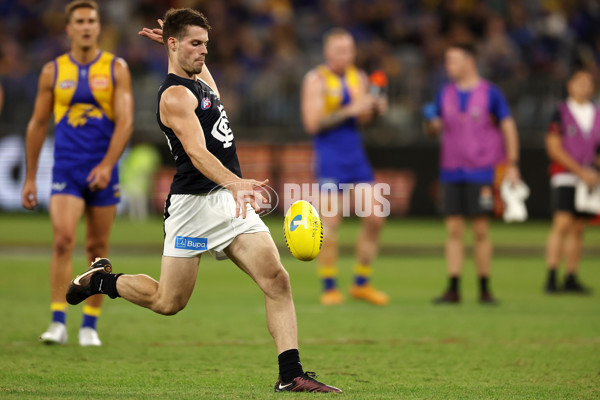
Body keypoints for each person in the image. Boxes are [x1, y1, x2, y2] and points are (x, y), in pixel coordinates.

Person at [66, 9, 341, 393]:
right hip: (193, 207)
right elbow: (196, 153)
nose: (204, 52)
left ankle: (290, 374)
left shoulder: (200, 81)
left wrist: (232, 188)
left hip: (229, 201)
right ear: (175, 45)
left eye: (206, 45)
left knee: (277, 279)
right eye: (195, 44)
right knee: (168, 302)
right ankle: (102, 281)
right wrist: (236, 183)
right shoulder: (175, 95)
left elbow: (195, 72)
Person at [21, 0, 133, 346]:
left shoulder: (116, 68)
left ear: (99, 27)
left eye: (92, 21)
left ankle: (90, 325)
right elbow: (38, 123)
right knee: (62, 240)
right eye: (80, 21)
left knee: (97, 248)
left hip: (103, 172)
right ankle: (57, 321)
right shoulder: (52, 71)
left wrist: (107, 165)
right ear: (68, 28)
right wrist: (29, 176)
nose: (86, 26)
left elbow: (126, 122)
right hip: (66, 170)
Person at [423, 43, 521, 304]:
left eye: (453, 60)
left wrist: (512, 162)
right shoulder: (445, 93)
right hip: (451, 170)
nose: (448, 66)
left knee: (480, 229)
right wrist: (431, 123)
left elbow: (508, 125)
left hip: (481, 171)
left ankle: (484, 288)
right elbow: (434, 129)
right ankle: (453, 286)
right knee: (453, 229)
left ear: (470, 62)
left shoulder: (491, 93)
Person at [301, 28, 389, 306]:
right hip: (330, 158)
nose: (344, 55)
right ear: (327, 52)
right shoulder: (316, 80)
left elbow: (363, 119)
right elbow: (313, 124)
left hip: (355, 156)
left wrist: (374, 110)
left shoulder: (358, 77)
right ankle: (329, 286)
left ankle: (361, 282)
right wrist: (350, 110)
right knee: (331, 222)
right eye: (339, 50)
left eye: (348, 50)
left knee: (376, 216)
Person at [544, 70, 600, 294]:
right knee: (562, 224)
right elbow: (554, 147)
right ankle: (551, 276)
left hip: (590, 178)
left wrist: (593, 172)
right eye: (579, 82)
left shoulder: (596, 114)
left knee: (579, 227)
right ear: (570, 85)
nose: (583, 87)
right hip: (566, 175)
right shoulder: (560, 112)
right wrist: (580, 171)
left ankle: (571, 276)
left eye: (588, 83)